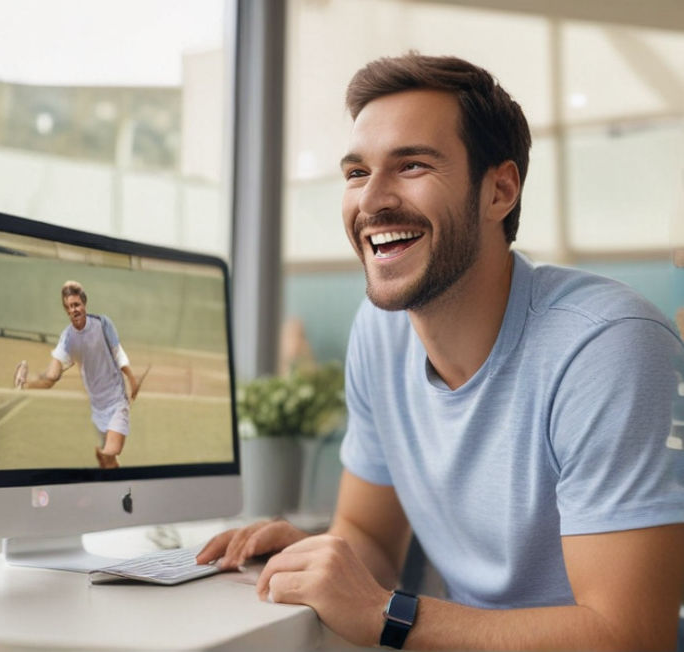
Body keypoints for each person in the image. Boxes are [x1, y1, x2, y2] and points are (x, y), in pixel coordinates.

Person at [197, 53, 684, 650]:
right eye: (356, 173)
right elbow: (370, 535)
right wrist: (315, 558)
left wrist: (386, 614)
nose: (372, 200)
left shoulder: (607, 346)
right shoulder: (381, 333)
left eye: (412, 165)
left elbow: (631, 636)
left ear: (499, 190)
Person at [16, 281, 139, 469]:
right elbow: (51, 378)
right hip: (97, 408)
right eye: (68, 307)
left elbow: (118, 352)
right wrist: (28, 384)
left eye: (76, 305)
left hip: (116, 402)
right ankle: (113, 487)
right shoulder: (67, 338)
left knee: (110, 452)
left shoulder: (102, 323)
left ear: (84, 304)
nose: (73, 310)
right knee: (109, 462)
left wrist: (131, 378)